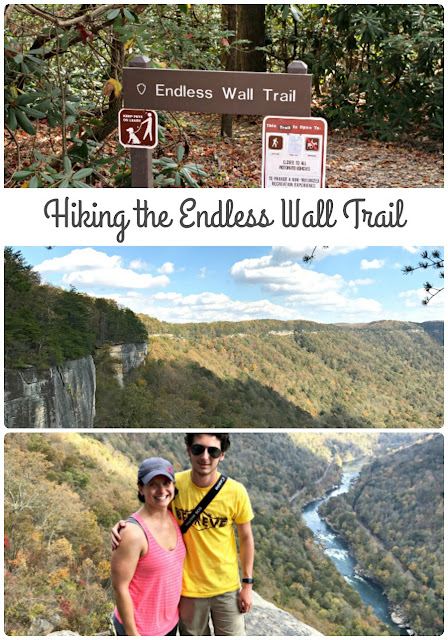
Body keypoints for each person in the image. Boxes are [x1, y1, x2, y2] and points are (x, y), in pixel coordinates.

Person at [112, 433, 255, 636]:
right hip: (189, 592)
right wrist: (124, 526)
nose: (205, 457)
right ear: (188, 450)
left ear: (221, 455)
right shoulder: (175, 484)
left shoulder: (236, 492)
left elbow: (246, 537)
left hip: (226, 587)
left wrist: (247, 584)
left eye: (213, 451)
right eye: (198, 449)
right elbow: (151, 510)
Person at [111, 458, 186, 636]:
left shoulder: (174, 514)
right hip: (140, 628)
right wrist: (132, 634)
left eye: (166, 483)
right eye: (153, 484)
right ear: (140, 488)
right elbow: (120, 587)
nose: (162, 490)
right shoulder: (132, 533)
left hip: (168, 623)